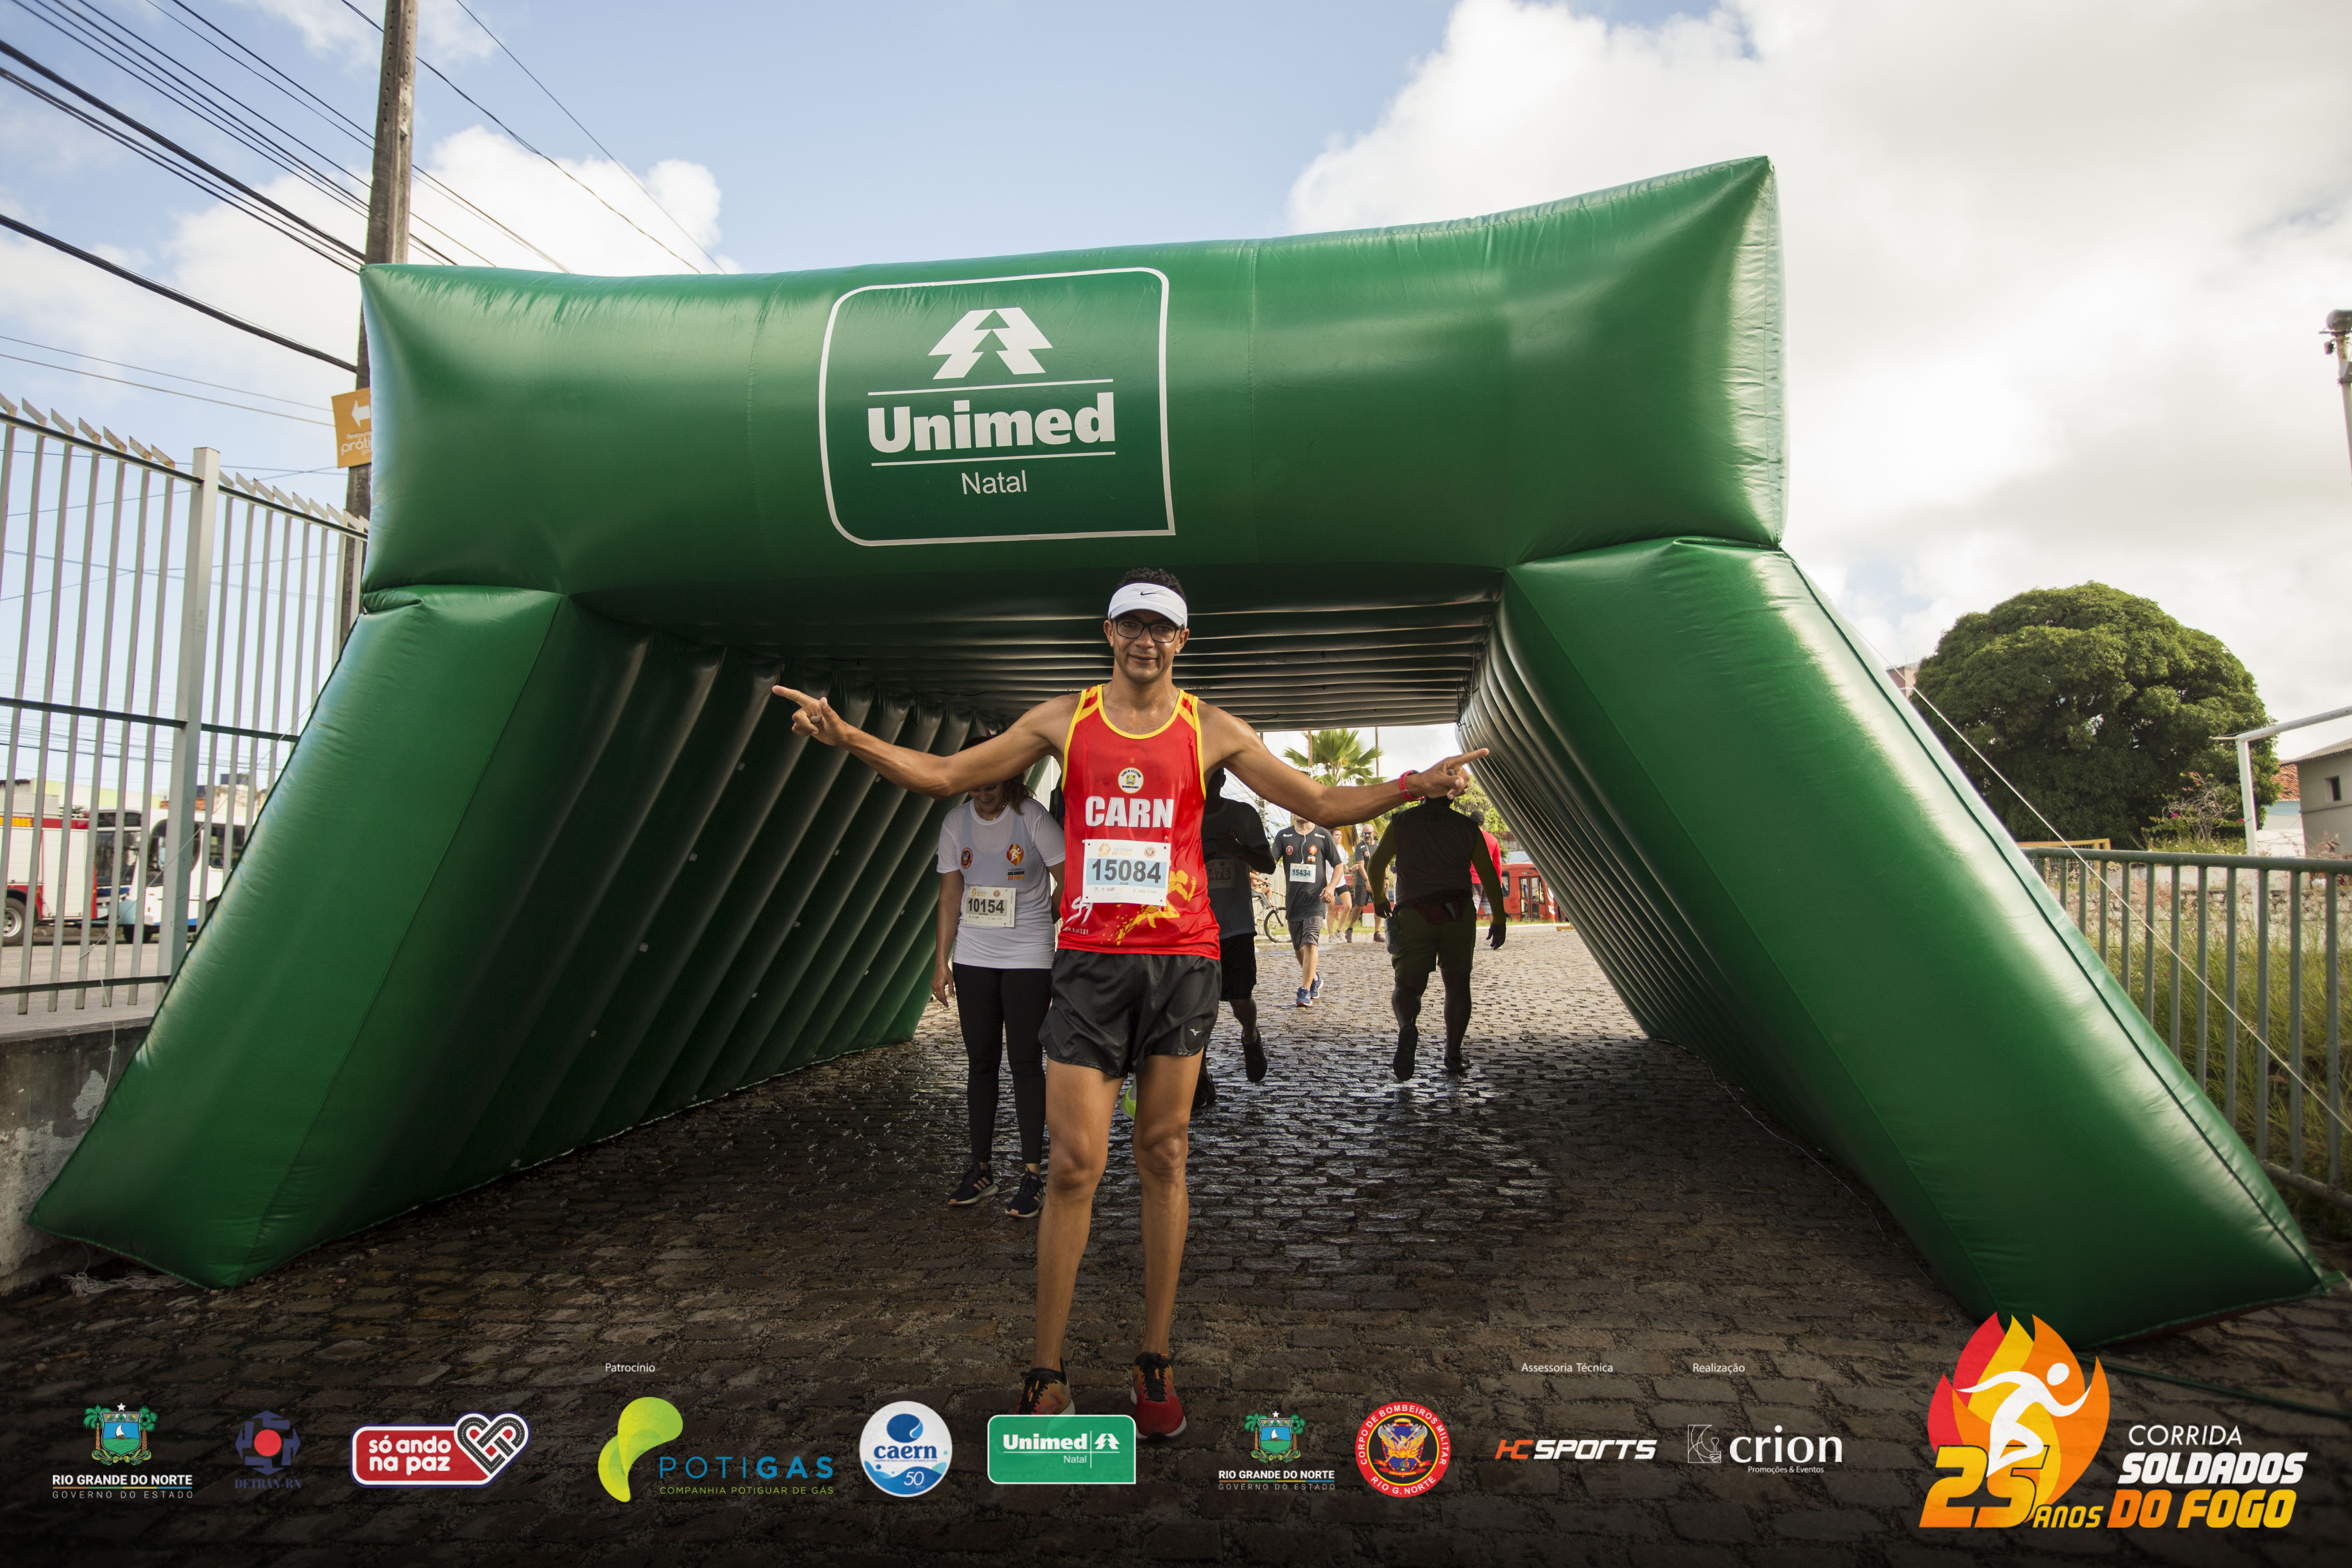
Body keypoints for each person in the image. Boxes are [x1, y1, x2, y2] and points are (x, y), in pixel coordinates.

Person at [773, 568, 1486, 1439]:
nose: (1145, 640)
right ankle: (1045, 1373)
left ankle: (1154, 1358)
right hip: (1089, 967)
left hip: (1179, 965)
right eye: (1131, 625)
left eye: (1161, 627)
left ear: (1181, 640)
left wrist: (1413, 784)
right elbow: (946, 774)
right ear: (1108, 634)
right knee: (1074, 1164)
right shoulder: (1062, 721)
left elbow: (1320, 800)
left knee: (1164, 1152)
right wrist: (847, 735)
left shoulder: (1211, 727)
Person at [933, 738, 1065, 1219]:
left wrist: (1047, 916)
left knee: (1026, 1062)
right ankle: (981, 1168)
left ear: (1008, 777)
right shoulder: (956, 823)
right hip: (974, 955)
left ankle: (1032, 1174)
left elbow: (1069, 876)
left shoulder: (1031, 817)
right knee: (981, 1063)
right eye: (975, 784)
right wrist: (941, 960)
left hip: (1028, 955)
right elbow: (951, 894)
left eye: (991, 783)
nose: (984, 792)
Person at [1368, 780, 1509, 1079]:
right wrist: (1498, 918)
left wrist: (1380, 899)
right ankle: (1453, 1054)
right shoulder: (1467, 827)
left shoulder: (1402, 822)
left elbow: (1377, 864)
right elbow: (1489, 876)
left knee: (1407, 986)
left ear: (1422, 794)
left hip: (1414, 913)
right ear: (1452, 797)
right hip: (1458, 913)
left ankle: (1407, 1026)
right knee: (1457, 985)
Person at [1200, 765, 1274, 1098]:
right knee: (1198, 1005)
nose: (1206, 784)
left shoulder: (1243, 815)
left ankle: (1250, 1035)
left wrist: (1238, 849)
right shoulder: (1184, 816)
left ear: (1222, 780)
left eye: (1212, 777)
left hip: (1237, 925)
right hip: (1197, 927)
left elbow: (1269, 863)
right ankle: (1199, 1077)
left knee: (1240, 998)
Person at [1271, 814, 1343, 1006]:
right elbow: (1270, 863)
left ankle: (1304, 989)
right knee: (1299, 947)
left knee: (1311, 942)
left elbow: (1338, 866)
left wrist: (1331, 887)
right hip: (1294, 901)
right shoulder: (1283, 836)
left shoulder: (1323, 835)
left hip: (1316, 900)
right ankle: (1315, 978)